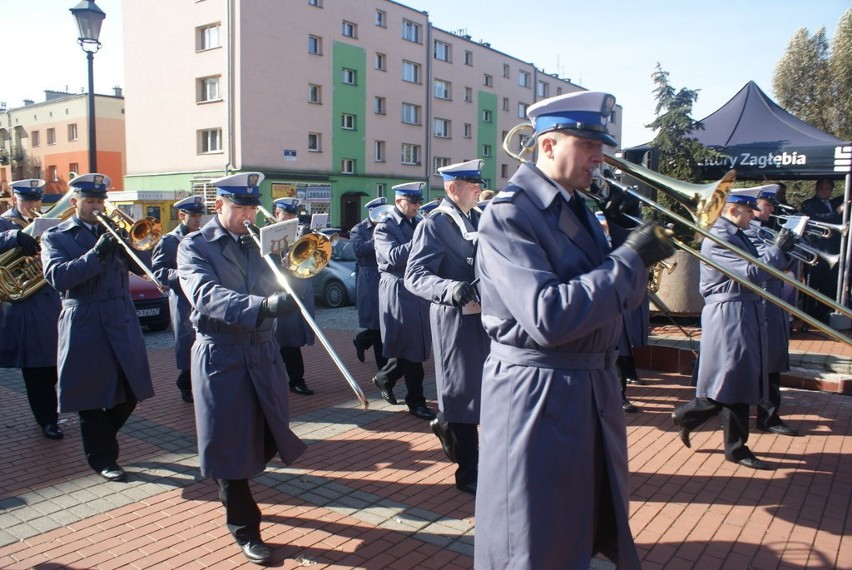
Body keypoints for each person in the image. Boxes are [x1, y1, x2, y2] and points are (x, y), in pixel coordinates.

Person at [475, 91, 674, 569]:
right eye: (586, 143)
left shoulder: (580, 206)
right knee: (532, 540)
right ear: (547, 145)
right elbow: (548, 315)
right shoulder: (509, 214)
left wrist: (630, 253)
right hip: (539, 392)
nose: (597, 156)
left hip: (586, 388)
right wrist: (631, 259)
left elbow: (594, 287)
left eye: (599, 145)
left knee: (579, 528)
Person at [177, 172, 307, 565]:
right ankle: (245, 527)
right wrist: (261, 307)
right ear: (219, 206)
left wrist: (290, 268)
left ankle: (233, 479)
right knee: (229, 443)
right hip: (223, 355)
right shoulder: (195, 245)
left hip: (262, 352)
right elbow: (204, 294)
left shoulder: (259, 241)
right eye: (241, 207)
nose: (249, 214)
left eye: (253, 206)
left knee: (270, 432)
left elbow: (283, 282)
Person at [672, 187, 796, 472]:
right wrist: (777, 250)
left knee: (737, 380)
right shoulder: (719, 239)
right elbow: (753, 273)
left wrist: (781, 251)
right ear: (733, 210)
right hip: (730, 312)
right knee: (735, 379)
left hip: (743, 310)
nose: (753, 216)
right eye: (749, 211)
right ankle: (732, 446)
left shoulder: (737, 234)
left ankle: (707, 429)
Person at [41, 173, 155, 481]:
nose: (96, 206)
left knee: (130, 391)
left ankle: (103, 441)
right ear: (75, 202)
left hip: (120, 316)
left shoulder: (114, 232)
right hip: (85, 320)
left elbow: (144, 268)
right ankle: (103, 459)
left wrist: (133, 241)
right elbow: (58, 278)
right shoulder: (56, 236)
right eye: (90, 201)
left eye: (100, 201)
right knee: (90, 397)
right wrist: (97, 253)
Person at [405, 159, 490, 496]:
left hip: (485, 318)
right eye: (472, 185)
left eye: (478, 184)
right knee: (461, 392)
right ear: (453, 189)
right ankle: (468, 471)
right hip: (455, 320)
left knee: (482, 391)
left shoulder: (479, 217)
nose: (478, 189)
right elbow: (415, 276)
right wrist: (449, 289)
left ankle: (446, 424)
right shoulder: (434, 224)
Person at [0, 179, 63, 439]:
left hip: (53, 302)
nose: (33, 206)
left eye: (36, 200)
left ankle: (56, 410)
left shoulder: (48, 221)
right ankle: (47, 419)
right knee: (37, 369)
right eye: (27, 201)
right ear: (15, 200)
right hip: (25, 306)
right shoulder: (5, 223)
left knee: (57, 365)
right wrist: (14, 236)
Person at [372, 182, 436, 421]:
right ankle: (416, 401)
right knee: (411, 347)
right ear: (399, 201)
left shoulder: (417, 223)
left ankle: (385, 377)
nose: (417, 206)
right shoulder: (384, 227)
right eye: (413, 202)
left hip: (416, 287)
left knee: (413, 344)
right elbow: (393, 257)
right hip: (397, 288)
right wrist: (421, 239)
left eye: (419, 201)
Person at [746, 185, 800, 437]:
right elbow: (761, 266)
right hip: (763, 301)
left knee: (773, 361)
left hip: (774, 300)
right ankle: (767, 416)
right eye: (768, 204)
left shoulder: (767, 230)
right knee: (767, 363)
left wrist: (793, 243)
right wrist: (779, 246)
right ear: (755, 205)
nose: (772, 208)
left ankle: (768, 414)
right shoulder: (749, 233)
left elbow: (786, 265)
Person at [151, 195, 205, 404]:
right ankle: (186, 384)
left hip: (200, 296)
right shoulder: (169, 241)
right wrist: (183, 275)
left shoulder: (201, 237)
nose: (197, 220)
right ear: (182, 215)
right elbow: (157, 272)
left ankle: (198, 381)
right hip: (182, 299)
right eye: (193, 216)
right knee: (186, 341)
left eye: (199, 215)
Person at [272, 197, 315, 396]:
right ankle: (295, 379)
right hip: (277, 293)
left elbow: (312, 265)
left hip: (299, 292)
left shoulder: (297, 236)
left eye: (292, 214)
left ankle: (293, 378)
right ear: (276, 214)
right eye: (285, 213)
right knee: (284, 340)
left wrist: (307, 242)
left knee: (290, 340)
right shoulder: (268, 237)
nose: (289, 217)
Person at [350, 197, 389, 370]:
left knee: (385, 322)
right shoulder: (358, 229)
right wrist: (378, 238)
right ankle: (384, 370)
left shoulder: (389, 225)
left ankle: (361, 341)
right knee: (376, 324)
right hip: (369, 278)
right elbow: (359, 250)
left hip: (385, 276)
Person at [799, 178, 843, 324]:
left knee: (829, 285)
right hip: (815, 250)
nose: (824, 191)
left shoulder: (834, 202)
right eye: (822, 188)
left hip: (832, 251)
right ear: (816, 188)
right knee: (812, 285)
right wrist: (838, 211)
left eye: (827, 189)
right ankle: (808, 315)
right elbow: (818, 219)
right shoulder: (809, 204)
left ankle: (821, 314)